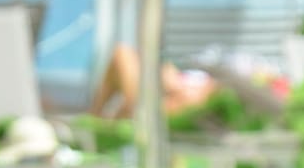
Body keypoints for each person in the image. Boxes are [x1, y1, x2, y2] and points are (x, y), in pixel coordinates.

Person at [88, 43, 220, 119]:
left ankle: (97, 115)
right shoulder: (196, 81)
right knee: (121, 54)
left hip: (153, 105)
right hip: (161, 93)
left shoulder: (208, 94)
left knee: (121, 54)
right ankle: (98, 115)